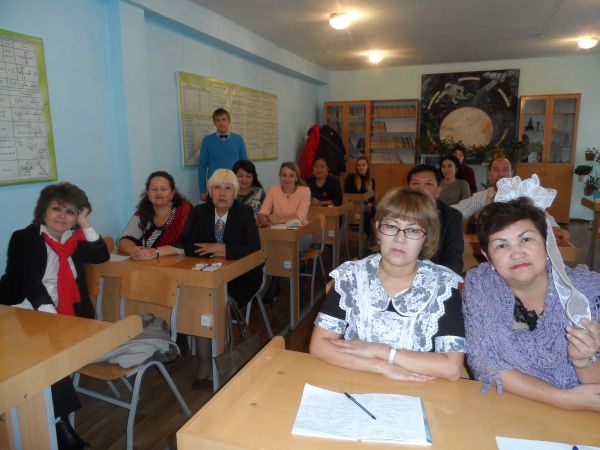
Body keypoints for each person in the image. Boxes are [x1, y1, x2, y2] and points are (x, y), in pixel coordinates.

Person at [309, 188, 465, 382]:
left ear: (426, 238)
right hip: (356, 380)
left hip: (419, 389)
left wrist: (381, 351)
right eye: (391, 226)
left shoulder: (443, 285)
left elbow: (452, 368)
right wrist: (381, 367)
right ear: (378, 230)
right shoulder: (352, 276)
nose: (400, 239)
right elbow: (319, 346)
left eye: (413, 230)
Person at [463, 195, 600, 411]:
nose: (517, 253)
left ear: (546, 243)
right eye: (501, 245)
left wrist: (584, 361)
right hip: (508, 407)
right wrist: (562, 399)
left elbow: (594, 393)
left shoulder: (586, 295)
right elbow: (484, 363)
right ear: (487, 257)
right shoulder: (480, 287)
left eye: (526, 239)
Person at [0, 182, 109, 450]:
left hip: (66, 314)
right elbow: (30, 283)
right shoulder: (24, 238)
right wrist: (53, 321)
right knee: (47, 357)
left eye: (70, 211)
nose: (62, 216)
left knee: (50, 358)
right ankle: (61, 426)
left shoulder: (74, 241)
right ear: (43, 211)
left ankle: (51, 419)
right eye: (56, 209)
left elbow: (101, 255)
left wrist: (84, 221)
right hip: (22, 310)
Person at [183, 169, 262, 390]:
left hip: (242, 277)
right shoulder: (200, 212)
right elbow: (188, 244)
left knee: (220, 307)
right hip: (208, 275)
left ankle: (222, 360)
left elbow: (253, 248)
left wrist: (223, 249)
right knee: (201, 306)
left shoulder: (244, 212)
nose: (222, 193)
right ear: (210, 191)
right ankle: (204, 362)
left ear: (235, 192)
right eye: (217, 187)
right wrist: (212, 251)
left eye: (228, 188)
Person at [258, 162, 312, 303]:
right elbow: (263, 211)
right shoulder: (274, 189)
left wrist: (278, 219)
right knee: (276, 249)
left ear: (296, 177)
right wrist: (263, 217)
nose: (287, 179)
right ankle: (291, 269)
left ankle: (275, 282)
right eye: (284, 175)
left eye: (291, 175)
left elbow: (300, 217)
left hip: (300, 233)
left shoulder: (304, 191)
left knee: (285, 251)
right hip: (278, 234)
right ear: (280, 176)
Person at [118, 171, 192, 260]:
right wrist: (133, 251)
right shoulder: (142, 213)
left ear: (172, 194)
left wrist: (156, 252)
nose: (158, 193)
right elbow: (125, 239)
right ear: (148, 193)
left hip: (180, 263)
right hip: (150, 264)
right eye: (154, 189)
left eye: (163, 189)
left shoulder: (184, 211)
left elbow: (189, 243)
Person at [407, 164, 464, 275]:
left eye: (428, 184)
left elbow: (454, 260)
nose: (421, 189)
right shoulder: (395, 214)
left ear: (438, 191)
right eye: (415, 183)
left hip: (436, 277)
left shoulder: (452, 217)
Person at [197, 108, 248, 202]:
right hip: (214, 186)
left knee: (236, 211)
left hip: (234, 185)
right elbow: (202, 167)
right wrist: (202, 190)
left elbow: (245, 166)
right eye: (218, 120)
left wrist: (245, 186)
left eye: (224, 119)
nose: (221, 122)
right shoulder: (207, 141)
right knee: (213, 211)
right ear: (214, 123)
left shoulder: (238, 139)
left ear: (229, 121)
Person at [343, 155, 377, 248]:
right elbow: (347, 196)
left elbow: (372, 199)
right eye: (359, 165)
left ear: (367, 166)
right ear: (356, 167)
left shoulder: (371, 181)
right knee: (367, 215)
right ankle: (373, 237)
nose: (361, 167)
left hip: (366, 208)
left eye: (363, 165)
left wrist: (369, 204)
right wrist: (361, 206)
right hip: (353, 208)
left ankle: (372, 236)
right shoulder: (351, 177)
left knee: (371, 211)